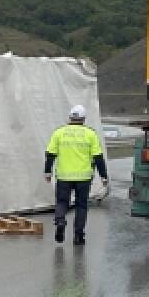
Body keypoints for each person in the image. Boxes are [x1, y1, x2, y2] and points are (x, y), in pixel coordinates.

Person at [44, 105, 109, 245]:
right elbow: (98, 157)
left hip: (64, 177)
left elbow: (50, 154)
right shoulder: (90, 134)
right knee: (81, 206)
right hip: (83, 178)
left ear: (70, 117)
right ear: (83, 119)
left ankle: (60, 221)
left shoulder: (59, 132)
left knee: (62, 202)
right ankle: (78, 236)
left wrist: (47, 171)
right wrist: (103, 176)